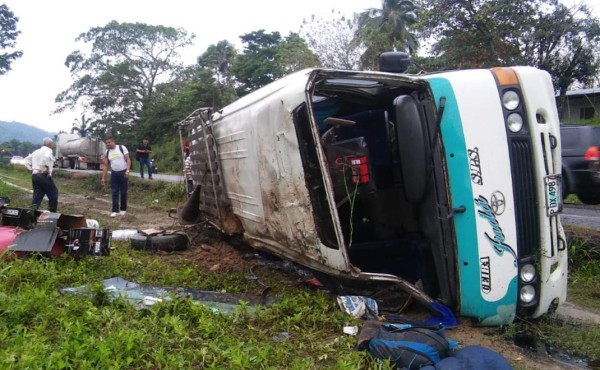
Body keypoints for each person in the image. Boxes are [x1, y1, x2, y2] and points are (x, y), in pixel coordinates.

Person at [24, 137, 58, 212]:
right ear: (49, 144)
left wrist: (31, 169)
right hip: (44, 175)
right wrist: (45, 168)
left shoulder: (36, 151)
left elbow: (26, 160)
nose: (52, 145)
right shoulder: (49, 150)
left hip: (35, 175)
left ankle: (32, 213)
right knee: (53, 194)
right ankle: (53, 213)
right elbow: (46, 157)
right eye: (52, 144)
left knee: (38, 195)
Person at [101, 137, 131, 217]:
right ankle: (115, 210)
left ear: (114, 141)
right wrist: (103, 178)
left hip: (123, 172)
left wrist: (128, 170)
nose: (108, 144)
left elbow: (128, 159)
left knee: (123, 192)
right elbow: (105, 165)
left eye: (109, 142)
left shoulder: (122, 148)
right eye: (106, 143)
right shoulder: (107, 152)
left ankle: (123, 209)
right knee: (114, 192)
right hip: (114, 173)